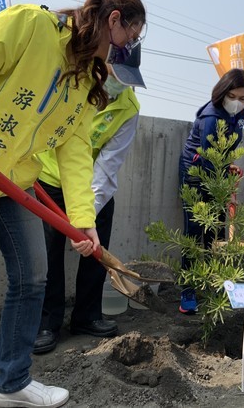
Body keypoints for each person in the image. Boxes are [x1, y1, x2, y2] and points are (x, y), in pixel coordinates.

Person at [0, 0, 146, 407]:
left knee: (33, 276)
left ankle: (12, 383)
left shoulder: (84, 79)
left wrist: (83, 218)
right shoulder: (32, 27)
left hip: (11, 178)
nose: (125, 52)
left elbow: (75, 147)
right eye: (129, 39)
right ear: (112, 21)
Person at [33, 45, 145, 354]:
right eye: (113, 75)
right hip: (51, 180)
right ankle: (47, 322)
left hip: (95, 187)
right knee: (49, 256)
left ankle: (86, 316)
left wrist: (86, 216)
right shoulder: (72, 84)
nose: (117, 85)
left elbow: (108, 165)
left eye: (126, 79)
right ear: (100, 65)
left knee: (95, 253)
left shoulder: (129, 109)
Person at [178, 68, 244, 313]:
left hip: (219, 172)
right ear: (222, 93)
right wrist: (223, 188)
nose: (238, 102)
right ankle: (188, 291)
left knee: (217, 236)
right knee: (194, 231)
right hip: (196, 174)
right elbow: (209, 156)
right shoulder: (211, 116)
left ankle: (216, 285)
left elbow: (226, 148)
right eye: (233, 96)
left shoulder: (240, 115)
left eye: (243, 98)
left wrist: (229, 167)